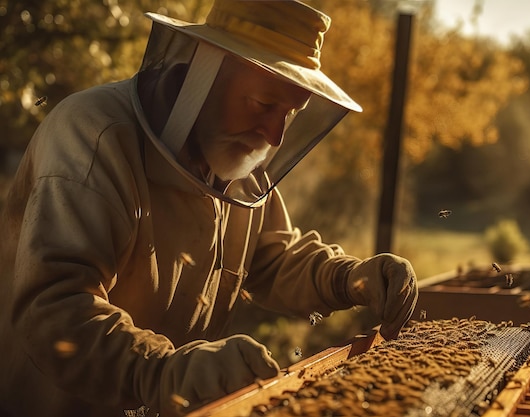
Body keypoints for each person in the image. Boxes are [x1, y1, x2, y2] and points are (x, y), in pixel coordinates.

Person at [0, 1, 418, 416]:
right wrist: (160, 373)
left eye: (289, 114)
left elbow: (271, 258)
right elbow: (55, 306)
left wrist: (347, 277)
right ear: (206, 71)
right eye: (262, 104)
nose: (274, 136)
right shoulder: (93, 137)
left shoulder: (239, 159)